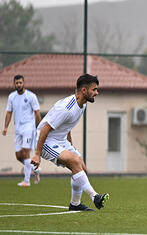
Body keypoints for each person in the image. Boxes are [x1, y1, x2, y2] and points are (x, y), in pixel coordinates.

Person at [31, 74, 109, 211]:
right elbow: (45, 128)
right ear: (84, 91)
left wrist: (69, 144)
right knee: (74, 162)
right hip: (45, 141)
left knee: (82, 169)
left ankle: (75, 204)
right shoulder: (66, 108)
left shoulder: (82, 105)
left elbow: (67, 125)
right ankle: (95, 196)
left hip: (60, 141)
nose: (97, 92)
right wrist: (37, 154)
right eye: (94, 89)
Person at [2, 75, 41, 187]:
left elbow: (37, 111)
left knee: (25, 152)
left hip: (28, 128)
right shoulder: (11, 97)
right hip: (18, 129)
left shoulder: (31, 96)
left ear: (24, 83)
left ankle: (26, 181)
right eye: (17, 83)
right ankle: (35, 169)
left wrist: (40, 127)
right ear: (14, 84)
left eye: (20, 82)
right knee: (19, 156)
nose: (18, 84)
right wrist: (5, 127)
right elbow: (9, 112)